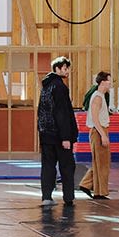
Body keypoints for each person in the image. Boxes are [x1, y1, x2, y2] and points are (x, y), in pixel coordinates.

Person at [37, 57, 76, 204]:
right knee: (67, 166)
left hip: (46, 134)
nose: (67, 71)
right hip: (59, 136)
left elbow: (41, 112)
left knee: (48, 166)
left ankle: (46, 196)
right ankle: (68, 197)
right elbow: (62, 113)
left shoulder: (46, 87)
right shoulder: (60, 87)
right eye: (65, 68)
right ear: (57, 69)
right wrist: (66, 137)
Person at [79, 71, 113, 200]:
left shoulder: (101, 96)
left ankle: (87, 184)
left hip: (100, 130)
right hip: (98, 131)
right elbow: (94, 118)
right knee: (102, 163)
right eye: (109, 81)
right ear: (103, 82)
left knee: (100, 162)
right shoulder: (98, 97)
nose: (110, 84)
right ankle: (100, 192)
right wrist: (103, 135)